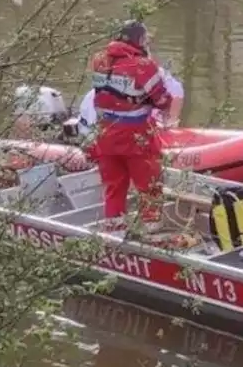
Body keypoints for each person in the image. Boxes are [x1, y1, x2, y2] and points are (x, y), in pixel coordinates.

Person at [88, 20, 174, 231]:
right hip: (136, 135)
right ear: (139, 40)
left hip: (105, 132)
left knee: (114, 185)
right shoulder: (143, 65)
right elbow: (162, 99)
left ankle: (114, 229)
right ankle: (151, 232)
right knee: (149, 185)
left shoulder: (99, 59)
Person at [74, 64, 185, 138]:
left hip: (94, 131)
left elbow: (175, 93)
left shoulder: (111, 78)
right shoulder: (141, 80)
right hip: (102, 135)